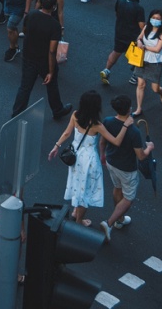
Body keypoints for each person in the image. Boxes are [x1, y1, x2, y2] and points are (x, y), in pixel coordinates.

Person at [47, 90, 132, 227]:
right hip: (89, 161)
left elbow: (67, 132)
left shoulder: (75, 115)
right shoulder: (96, 125)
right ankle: (80, 219)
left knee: (78, 185)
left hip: (76, 156)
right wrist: (126, 125)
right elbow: (116, 141)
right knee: (86, 190)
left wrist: (56, 146)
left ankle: (75, 212)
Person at [12, 0, 72, 120]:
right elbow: (51, 51)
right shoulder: (54, 25)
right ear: (54, 7)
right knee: (52, 85)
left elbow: (25, 29)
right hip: (44, 61)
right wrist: (50, 71)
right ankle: (57, 110)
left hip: (28, 57)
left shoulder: (31, 15)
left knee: (25, 87)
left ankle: (16, 115)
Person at [98, 95, 148, 240]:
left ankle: (120, 220)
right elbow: (141, 156)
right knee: (129, 198)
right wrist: (149, 148)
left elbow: (102, 142)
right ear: (129, 109)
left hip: (111, 162)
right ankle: (109, 223)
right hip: (127, 168)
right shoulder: (134, 132)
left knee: (117, 188)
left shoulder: (107, 121)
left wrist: (103, 156)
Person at [101, 0, 145, 86]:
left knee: (116, 52)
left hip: (119, 32)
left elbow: (117, 13)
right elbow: (142, 26)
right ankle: (134, 76)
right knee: (138, 55)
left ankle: (106, 70)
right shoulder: (138, 8)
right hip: (133, 36)